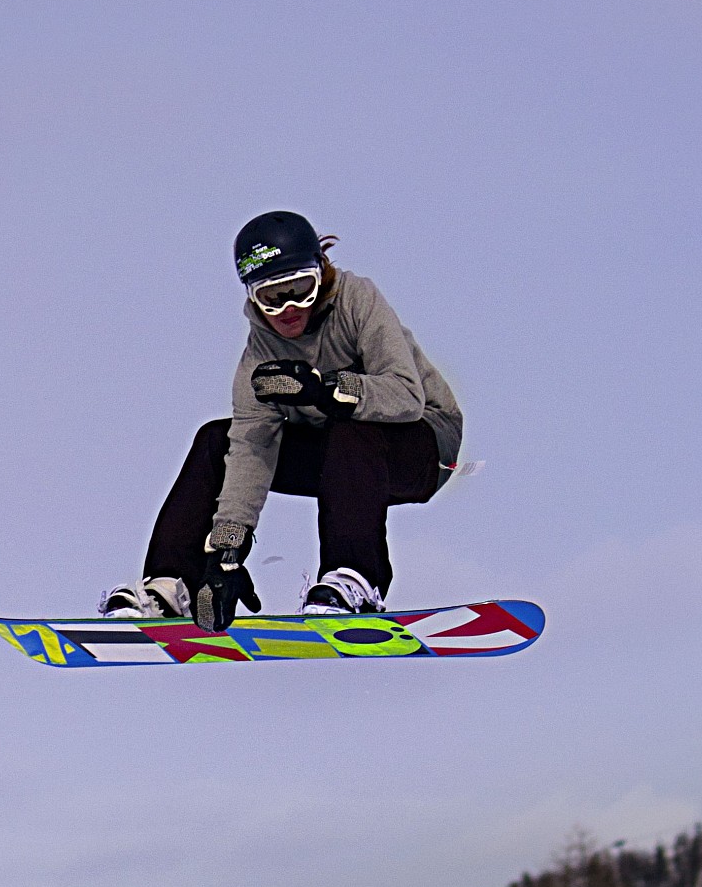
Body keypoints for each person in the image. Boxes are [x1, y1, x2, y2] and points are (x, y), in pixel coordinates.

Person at [102, 212, 464, 628]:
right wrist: (226, 555)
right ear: (252, 298)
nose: (289, 310)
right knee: (216, 440)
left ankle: (354, 577)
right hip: (335, 458)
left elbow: (406, 395)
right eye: (272, 298)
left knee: (350, 429)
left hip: (421, 448)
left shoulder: (357, 301)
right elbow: (251, 454)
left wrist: (327, 391)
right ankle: (171, 584)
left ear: (321, 273)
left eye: (301, 290)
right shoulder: (260, 356)